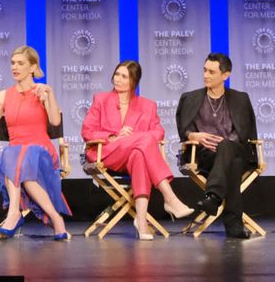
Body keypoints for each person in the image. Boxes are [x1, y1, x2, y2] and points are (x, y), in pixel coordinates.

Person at [81, 59, 196, 239]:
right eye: (117, 74)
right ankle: (170, 198)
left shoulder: (147, 106)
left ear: (134, 81)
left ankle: (141, 222)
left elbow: (159, 132)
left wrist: (135, 139)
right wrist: (115, 135)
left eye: (124, 76)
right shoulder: (101, 99)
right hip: (107, 153)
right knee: (144, 140)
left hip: (133, 156)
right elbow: (87, 131)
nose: (118, 79)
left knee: (139, 154)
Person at [0, 45, 71, 240]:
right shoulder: (3, 96)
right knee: (16, 158)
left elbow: (56, 122)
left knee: (14, 156)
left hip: (41, 152)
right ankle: (56, 220)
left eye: (20, 63)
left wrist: (49, 95)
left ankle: (14, 214)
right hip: (17, 157)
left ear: (33, 67)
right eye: (13, 63)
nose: (15, 67)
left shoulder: (42, 91)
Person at [174, 52, 259, 239]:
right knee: (233, 165)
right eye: (204, 70)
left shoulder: (240, 98)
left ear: (225, 75)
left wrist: (225, 145)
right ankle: (233, 223)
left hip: (236, 150)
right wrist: (193, 135)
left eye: (211, 72)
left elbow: (245, 131)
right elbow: (183, 129)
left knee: (228, 149)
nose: (206, 75)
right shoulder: (190, 98)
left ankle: (213, 196)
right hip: (204, 155)